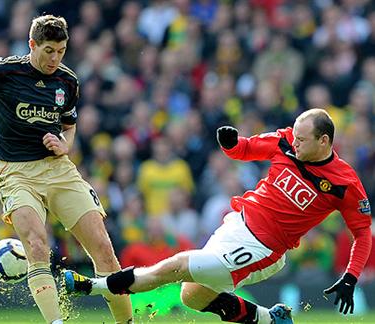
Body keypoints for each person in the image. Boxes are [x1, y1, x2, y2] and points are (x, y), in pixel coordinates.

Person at [62, 108, 372, 324]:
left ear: (324, 142)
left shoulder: (345, 184)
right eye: (295, 136)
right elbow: (245, 149)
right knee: (192, 296)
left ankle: (90, 286)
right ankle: (270, 319)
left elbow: (361, 234)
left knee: (175, 267)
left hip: (261, 248)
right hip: (237, 224)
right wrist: (230, 143)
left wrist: (350, 275)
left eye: (303, 140)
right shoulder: (286, 141)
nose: (295, 143)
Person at [0, 15, 132, 324]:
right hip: (16, 174)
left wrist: (65, 144)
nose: (55, 58)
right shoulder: (2, 71)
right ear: (32, 45)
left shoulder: (68, 81)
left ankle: (127, 322)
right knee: (36, 245)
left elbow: (69, 126)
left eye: (61, 50)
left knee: (103, 248)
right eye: (48, 50)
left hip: (59, 171)